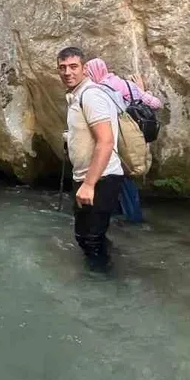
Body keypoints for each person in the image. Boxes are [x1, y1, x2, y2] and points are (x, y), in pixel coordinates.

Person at [58, 46, 125, 270]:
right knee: (90, 236)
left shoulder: (91, 95)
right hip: (93, 178)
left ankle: (105, 285)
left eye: (73, 66)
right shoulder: (78, 96)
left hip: (100, 178)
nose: (68, 72)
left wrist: (89, 184)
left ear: (85, 68)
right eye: (62, 68)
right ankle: (109, 268)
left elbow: (105, 141)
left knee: (89, 239)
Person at [84, 58, 162, 223]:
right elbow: (156, 104)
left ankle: (128, 218)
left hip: (119, 140)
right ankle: (131, 216)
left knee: (120, 175)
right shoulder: (127, 85)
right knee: (128, 175)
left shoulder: (100, 90)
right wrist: (142, 91)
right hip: (136, 137)